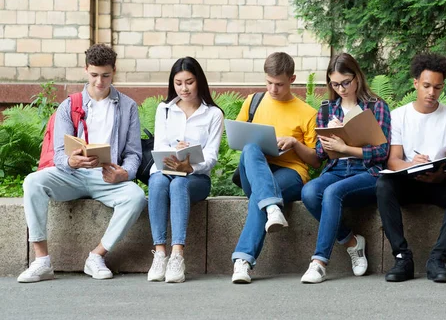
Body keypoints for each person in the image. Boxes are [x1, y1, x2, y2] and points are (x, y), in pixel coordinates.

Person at [18, 44, 146, 283]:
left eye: (106, 75)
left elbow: (133, 154)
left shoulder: (127, 106)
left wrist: (124, 173)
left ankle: (97, 256)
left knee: (136, 196)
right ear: (86, 70)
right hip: (72, 175)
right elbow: (57, 155)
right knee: (33, 182)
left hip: (107, 176)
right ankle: (41, 260)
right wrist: (71, 161)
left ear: (114, 71)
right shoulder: (69, 105)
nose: (100, 82)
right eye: (95, 75)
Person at [376, 53, 446, 283]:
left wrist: (439, 174)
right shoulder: (399, 116)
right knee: (383, 184)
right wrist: (413, 165)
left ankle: (438, 259)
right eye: (426, 86)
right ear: (416, 83)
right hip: (408, 181)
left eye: (437, 87)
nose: (431, 92)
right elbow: (393, 160)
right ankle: (402, 258)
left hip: (438, 182)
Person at [300, 53, 391, 284]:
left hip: (366, 172)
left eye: (345, 82)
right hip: (336, 169)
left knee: (332, 192)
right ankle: (351, 242)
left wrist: (346, 146)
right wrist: (327, 138)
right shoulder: (326, 109)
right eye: (335, 84)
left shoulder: (376, 106)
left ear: (357, 77)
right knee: (310, 192)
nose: (341, 88)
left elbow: (382, 152)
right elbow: (320, 155)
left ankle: (319, 262)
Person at [231, 52, 320, 284]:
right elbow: (238, 141)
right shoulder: (253, 102)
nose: (273, 89)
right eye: (269, 83)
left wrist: (294, 143)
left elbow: (316, 161)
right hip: (255, 170)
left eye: (279, 84)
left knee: (259, 198)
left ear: (292, 79)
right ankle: (272, 207)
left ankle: (242, 262)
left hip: (291, 173)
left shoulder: (307, 113)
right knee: (251, 148)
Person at [146, 57, 224, 283]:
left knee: (180, 183)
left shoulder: (213, 114)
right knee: (158, 182)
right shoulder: (165, 109)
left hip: (196, 178)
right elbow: (159, 146)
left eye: (189, 82)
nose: (184, 88)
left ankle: (177, 255)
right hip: (166, 170)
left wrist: (190, 165)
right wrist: (174, 152)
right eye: (178, 83)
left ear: (199, 81)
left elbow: (211, 157)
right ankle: (160, 253)